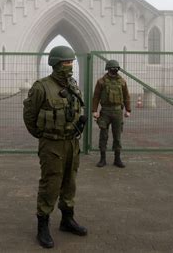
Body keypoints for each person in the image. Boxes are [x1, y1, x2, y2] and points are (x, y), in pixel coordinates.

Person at [23, 46, 88, 249]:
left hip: (72, 142)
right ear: (55, 64)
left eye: (71, 62)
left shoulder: (72, 86)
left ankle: (67, 219)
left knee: (70, 181)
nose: (69, 66)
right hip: (52, 144)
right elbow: (30, 117)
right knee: (51, 183)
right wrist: (43, 135)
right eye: (65, 63)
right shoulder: (41, 87)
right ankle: (43, 225)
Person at [92, 59, 131, 168]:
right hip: (105, 111)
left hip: (118, 111)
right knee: (103, 135)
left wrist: (128, 110)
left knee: (117, 136)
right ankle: (102, 158)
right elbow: (96, 97)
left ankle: (117, 159)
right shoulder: (101, 82)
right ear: (108, 69)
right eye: (112, 69)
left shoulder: (122, 82)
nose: (114, 70)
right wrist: (94, 111)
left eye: (116, 69)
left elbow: (126, 96)